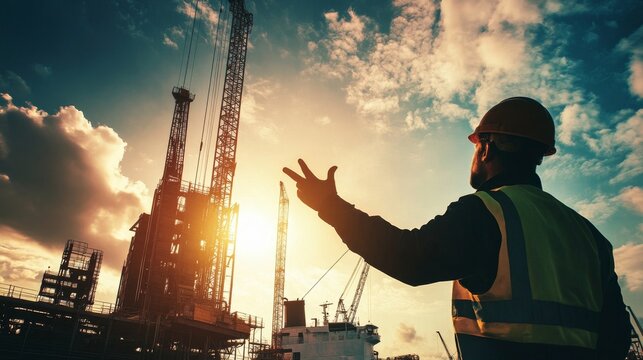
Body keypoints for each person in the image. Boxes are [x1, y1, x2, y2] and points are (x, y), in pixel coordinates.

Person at [283, 97, 631, 359]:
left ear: (487, 147)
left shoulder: (487, 211)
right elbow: (616, 337)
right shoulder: (590, 235)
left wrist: (330, 206)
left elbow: (409, 258)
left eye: (477, 145)